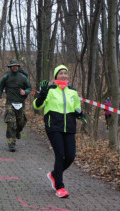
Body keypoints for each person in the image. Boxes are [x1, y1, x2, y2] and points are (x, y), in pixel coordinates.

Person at [33, 65, 86, 198]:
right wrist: (42, 94)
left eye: (65, 73)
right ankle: (59, 187)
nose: (63, 75)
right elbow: (37, 105)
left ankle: (54, 175)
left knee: (70, 156)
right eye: (61, 73)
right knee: (60, 155)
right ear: (56, 76)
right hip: (53, 126)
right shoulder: (49, 90)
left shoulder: (72, 91)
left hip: (69, 127)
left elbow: (76, 107)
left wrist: (79, 114)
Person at [0, 59, 32, 152]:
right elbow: (0, 87)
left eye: (16, 66)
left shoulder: (23, 77)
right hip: (10, 103)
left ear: (18, 67)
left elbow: (29, 88)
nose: (15, 67)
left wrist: (25, 92)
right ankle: (11, 144)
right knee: (10, 123)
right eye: (13, 66)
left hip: (20, 103)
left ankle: (18, 131)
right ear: (10, 67)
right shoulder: (6, 77)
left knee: (22, 122)